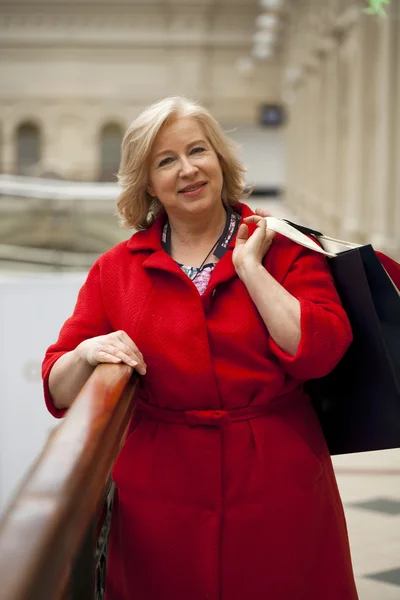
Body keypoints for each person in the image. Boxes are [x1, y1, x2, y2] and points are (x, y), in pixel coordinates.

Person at [42, 96, 359, 600]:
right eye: (166, 160)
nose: (187, 169)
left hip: (277, 480)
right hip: (160, 495)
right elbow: (58, 389)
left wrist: (251, 268)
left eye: (198, 151)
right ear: (147, 183)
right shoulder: (116, 269)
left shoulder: (285, 247)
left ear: (219, 159)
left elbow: (317, 352)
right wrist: (85, 353)